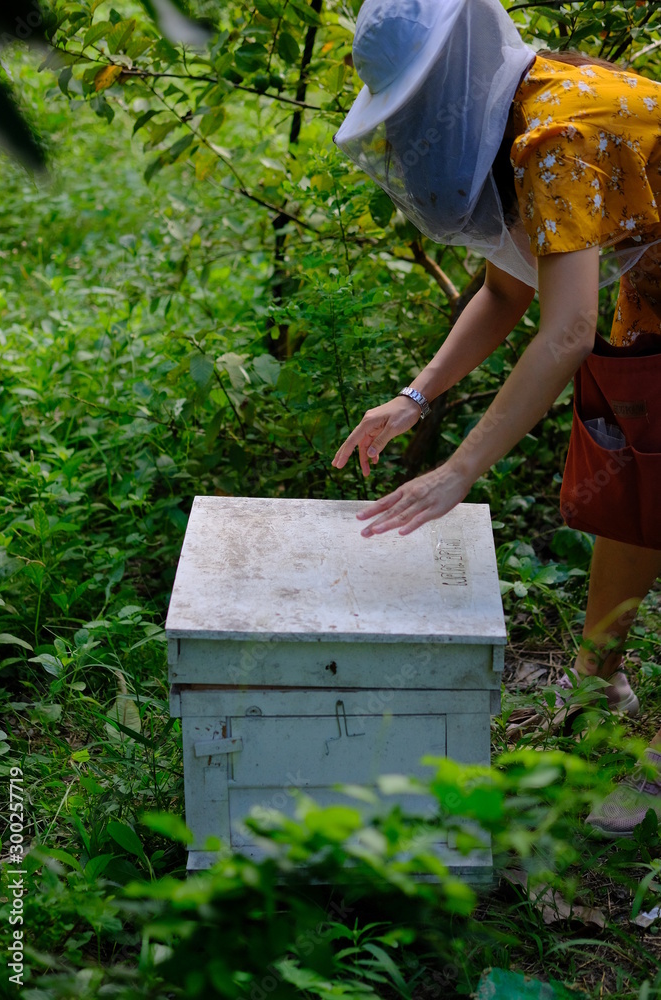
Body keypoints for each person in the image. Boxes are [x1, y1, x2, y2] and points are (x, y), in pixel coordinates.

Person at [330, 0, 661, 838]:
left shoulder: (554, 135)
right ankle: (600, 683)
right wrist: (415, 397)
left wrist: (458, 471)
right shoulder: (525, 122)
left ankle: (640, 759)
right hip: (655, 286)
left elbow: (566, 331)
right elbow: (507, 289)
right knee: (632, 469)